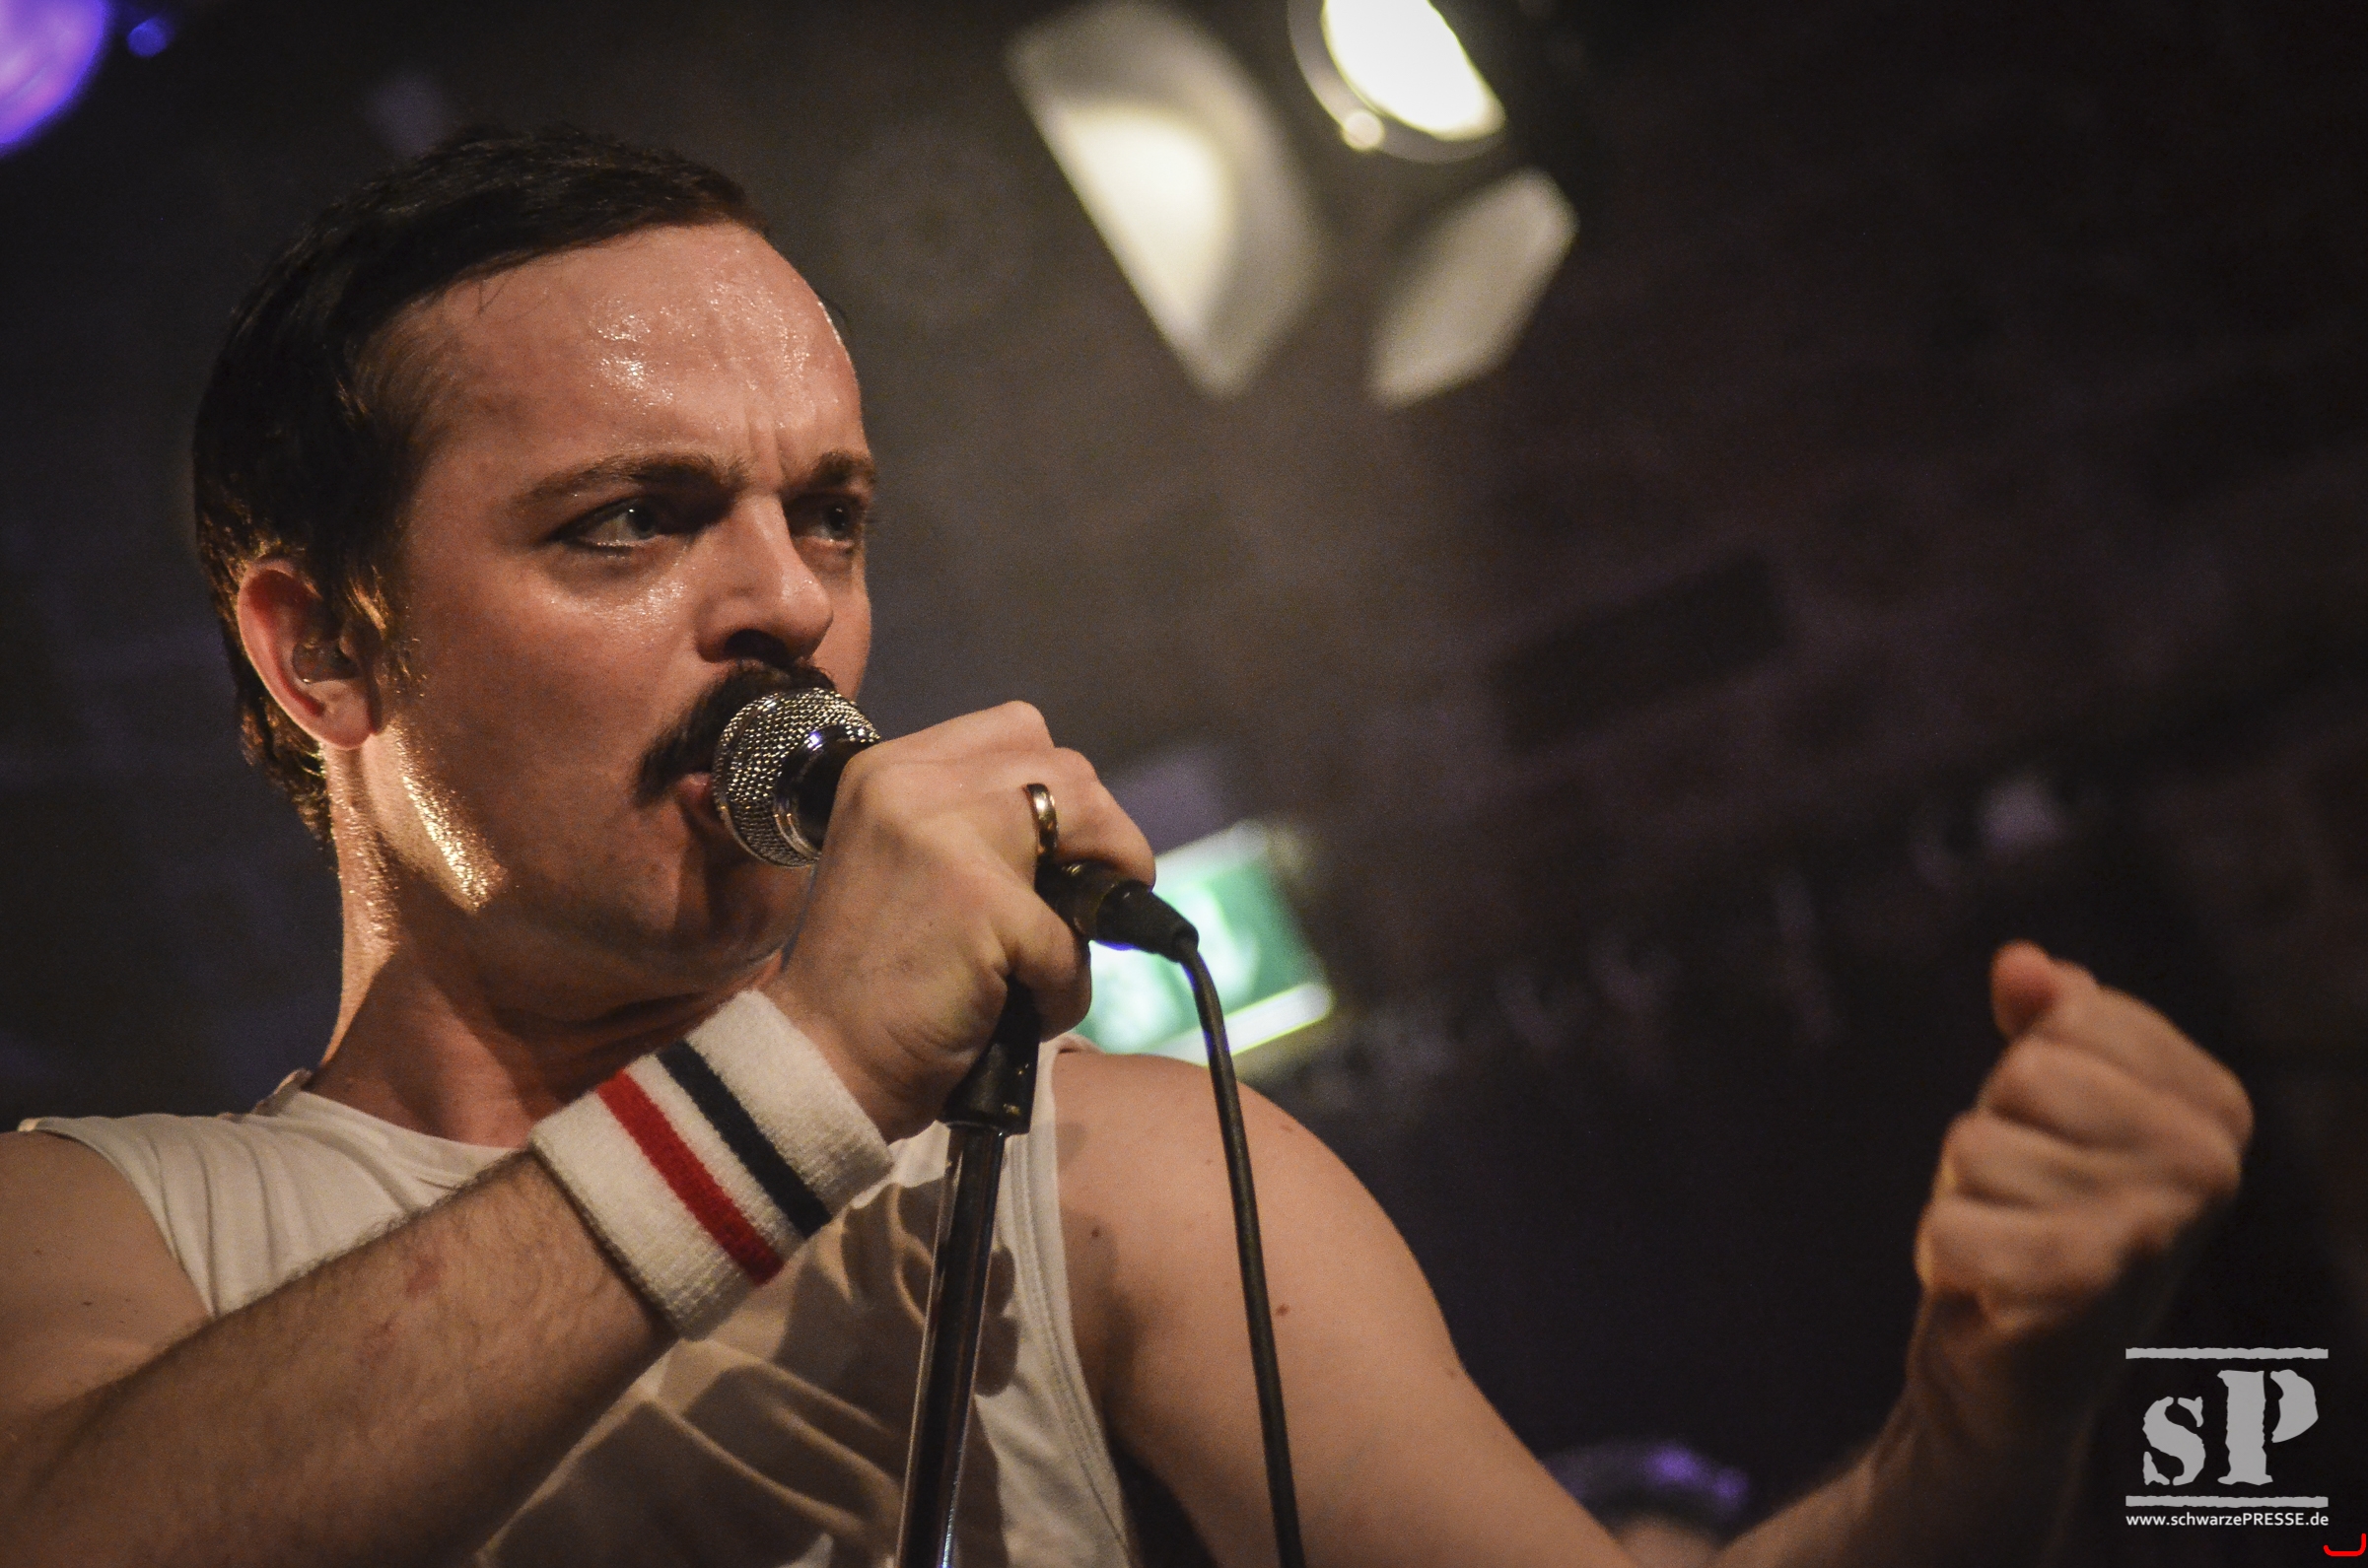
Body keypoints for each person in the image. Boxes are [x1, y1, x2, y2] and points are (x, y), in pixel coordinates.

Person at [0, 128, 2255, 1567]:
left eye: (829, 514)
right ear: (322, 648)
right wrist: (808, 1066)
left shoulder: (1114, 1172)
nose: (785, 598)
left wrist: (1977, 1432)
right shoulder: (103, 1228)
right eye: (630, 522)